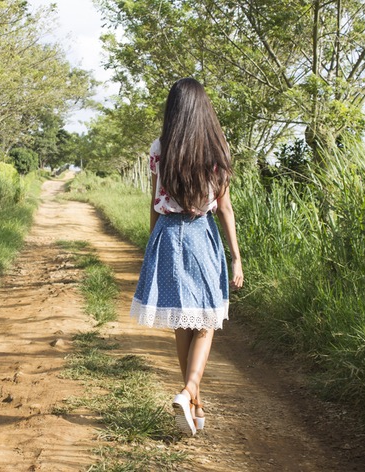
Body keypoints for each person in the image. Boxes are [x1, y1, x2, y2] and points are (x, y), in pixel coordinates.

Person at [130, 78, 244, 436]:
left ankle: (194, 401)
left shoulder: (160, 147)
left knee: (184, 321)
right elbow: (224, 207)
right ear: (204, 109)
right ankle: (189, 390)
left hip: (166, 234)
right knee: (207, 321)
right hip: (200, 234)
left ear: (174, 110)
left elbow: (154, 202)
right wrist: (236, 257)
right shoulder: (217, 149)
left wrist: (151, 246)